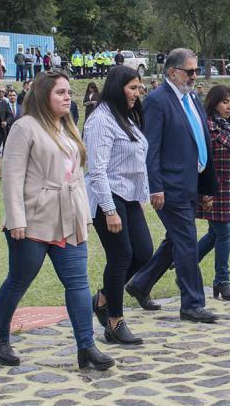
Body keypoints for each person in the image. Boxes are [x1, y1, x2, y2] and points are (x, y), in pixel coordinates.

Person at [0, 69, 114, 370]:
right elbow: (12, 177)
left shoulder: (68, 127)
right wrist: (16, 219)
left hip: (69, 218)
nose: (67, 96)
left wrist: (84, 216)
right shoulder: (25, 127)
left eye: (69, 91)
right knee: (19, 281)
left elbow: (78, 177)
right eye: (60, 92)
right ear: (44, 95)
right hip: (34, 219)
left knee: (78, 284)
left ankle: (86, 346)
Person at [124, 48, 218, 323]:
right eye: (190, 71)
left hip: (191, 182)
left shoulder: (192, 99)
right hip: (170, 185)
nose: (194, 76)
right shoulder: (157, 101)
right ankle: (192, 303)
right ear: (172, 72)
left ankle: (141, 283)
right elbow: (150, 148)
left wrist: (205, 186)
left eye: (196, 70)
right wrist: (155, 187)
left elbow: (200, 141)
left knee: (175, 239)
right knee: (187, 241)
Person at [85, 65, 151, 345]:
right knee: (121, 256)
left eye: (139, 87)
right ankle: (114, 321)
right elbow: (97, 169)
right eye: (132, 88)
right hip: (108, 195)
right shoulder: (100, 120)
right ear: (117, 88)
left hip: (129, 195)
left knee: (144, 253)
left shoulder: (126, 117)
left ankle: (101, 299)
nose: (138, 93)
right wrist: (109, 210)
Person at [197, 85, 230, 301]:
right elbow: (202, 161)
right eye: (224, 102)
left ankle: (183, 262)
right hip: (214, 189)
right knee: (225, 232)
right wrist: (204, 192)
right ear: (213, 102)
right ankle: (222, 279)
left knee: (215, 234)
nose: (229, 107)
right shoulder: (208, 127)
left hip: (229, 187)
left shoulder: (229, 126)